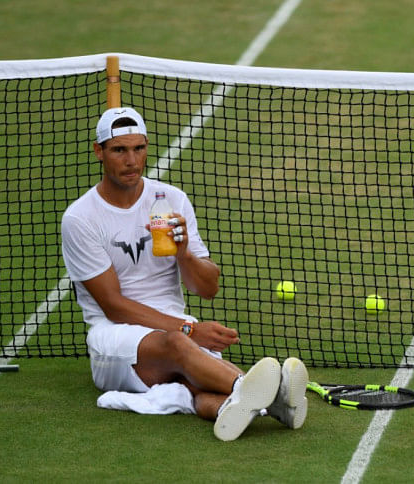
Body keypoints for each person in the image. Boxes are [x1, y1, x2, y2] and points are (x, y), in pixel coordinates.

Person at [61, 107, 307, 441]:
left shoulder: (171, 200)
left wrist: (185, 254)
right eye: (119, 150)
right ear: (99, 151)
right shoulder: (80, 218)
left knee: (195, 385)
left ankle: (252, 409)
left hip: (176, 328)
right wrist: (189, 329)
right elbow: (113, 306)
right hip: (114, 339)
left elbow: (208, 288)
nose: (131, 160)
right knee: (179, 344)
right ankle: (266, 393)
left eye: (138, 148)